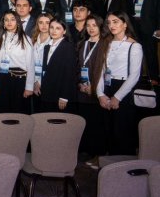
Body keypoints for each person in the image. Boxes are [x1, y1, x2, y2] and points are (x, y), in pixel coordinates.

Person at [94, 11, 143, 157]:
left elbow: (134, 76)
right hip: (107, 86)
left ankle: (124, 165)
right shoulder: (107, 43)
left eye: (115, 22)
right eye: (109, 22)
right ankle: (108, 162)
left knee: (122, 131)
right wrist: (100, 94)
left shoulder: (134, 46)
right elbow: (101, 70)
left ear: (125, 24)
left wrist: (117, 97)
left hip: (124, 89)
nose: (111, 25)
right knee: (107, 129)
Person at [0, 11, 36, 114]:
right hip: (3, 78)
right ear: (3, 23)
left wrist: (29, 87)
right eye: (6, 20)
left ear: (18, 22)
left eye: (12, 19)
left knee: (19, 112)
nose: (9, 22)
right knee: (4, 111)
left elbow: (31, 65)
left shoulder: (26, 39)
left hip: (19, 79)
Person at [76, 15, 107, 161]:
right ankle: (84, 149)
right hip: (82, 89)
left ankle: (96, 151)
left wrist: (93, 87)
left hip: (97, 90)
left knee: (96, 123)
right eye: (88, 25)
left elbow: (104, 70)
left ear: (100, 26)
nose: (91, 28)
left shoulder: (105, 44)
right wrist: (79, 83)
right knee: (83, 121)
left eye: (94, 25)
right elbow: (77, 66)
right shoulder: (82, 43)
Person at [34, 17, 78, 113]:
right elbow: (45, 70)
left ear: (64, 31)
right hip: (47, 92)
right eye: (52, 27)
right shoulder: (47, 47)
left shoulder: (68, 47)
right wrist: (38, 83)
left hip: (60, 95)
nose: (54, 31)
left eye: (58, 28)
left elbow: (69, 74)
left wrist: (64, 97)